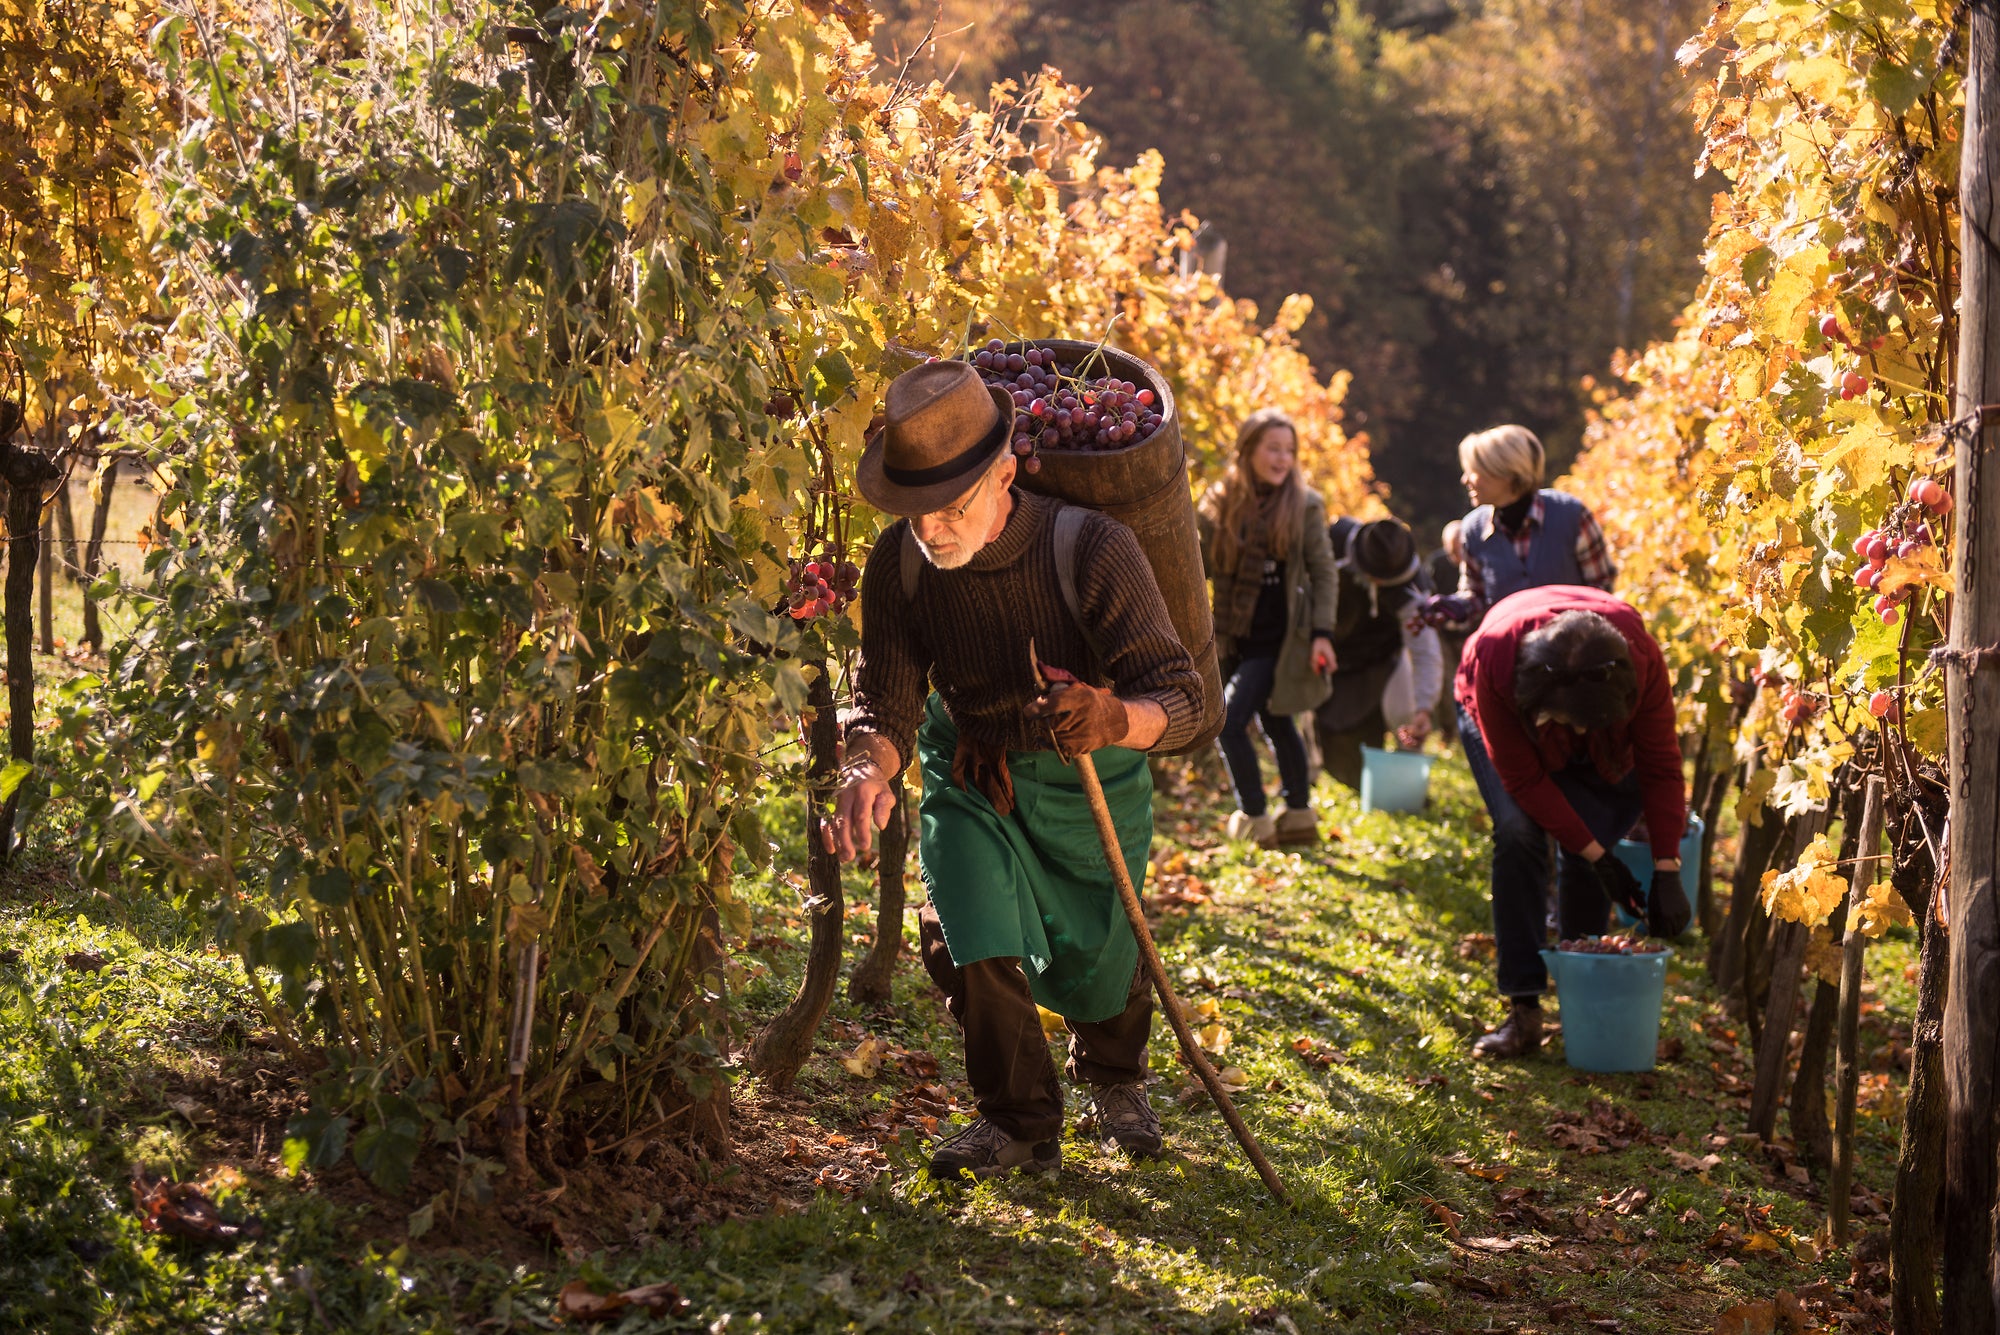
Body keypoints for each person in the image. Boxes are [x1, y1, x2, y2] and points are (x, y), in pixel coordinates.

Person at [831, 360, 1206, 1179]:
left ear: (1005, 472)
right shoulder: (901, 568)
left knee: (1104, 946)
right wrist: (867, 767)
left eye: (952, 506)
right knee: (965, 929)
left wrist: (1112, 715)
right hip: (974, 767)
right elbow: (886, 704)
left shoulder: (1092, 547)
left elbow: (1182, 697)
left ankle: (1112, 1075)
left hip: (1091, 774)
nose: (931, 529)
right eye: (914, 509)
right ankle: (1019, 1119)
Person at [1454, 585, 1692, 1059]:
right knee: (1519, 833)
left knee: (1589, 840)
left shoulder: (1640, 660)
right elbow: (1523, 779)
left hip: (1599, 718)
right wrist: (1599, 857)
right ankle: (1523, 1010)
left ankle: (1581, 1003)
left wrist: (1667, 869)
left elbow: (1660, 765)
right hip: (1495, 705)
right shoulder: (1497, 658)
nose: (1579, 734)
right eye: (1570, 722)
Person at [1196, 408, 1339, 846]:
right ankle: (1298, 814)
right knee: (1277, 722)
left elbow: (1324, 572)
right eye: (1273, 448)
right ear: (1248, 449)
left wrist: (1322, 634)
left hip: (1282, 638)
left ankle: (1255, 815)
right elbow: (1195, 563)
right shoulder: (1219, 502)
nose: (1283, 459)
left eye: (1289, 451)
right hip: (1235, 634)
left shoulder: (1305, 505)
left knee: (1230, 720)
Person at [1421, 425, 1615, 628]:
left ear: (1506, 472)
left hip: (1575, 647)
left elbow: (1601, 588)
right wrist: (1451, 609)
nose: (1465, 480)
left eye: (1474, 471)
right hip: (1510, 652)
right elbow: (1476, 597)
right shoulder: (1473, 530)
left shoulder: (1572, 516)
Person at [1312, 517, 1442, 789]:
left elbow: (1424, 651)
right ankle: (1306, 776)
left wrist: (1424, 707)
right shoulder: (1329, 543)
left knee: (1407, 716)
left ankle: (1408, 786)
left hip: (1384, 659)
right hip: (1331, 658)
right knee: (1335, 744)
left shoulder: (1413, 591)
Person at [1427, 520, 1468, 748]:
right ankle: (1449, 730)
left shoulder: (1475, 562)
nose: (1456, 555)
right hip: (1443, 633)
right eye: (1452, 550)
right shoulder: (1437, 564)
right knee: (1446, 682)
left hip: (1469, 632)